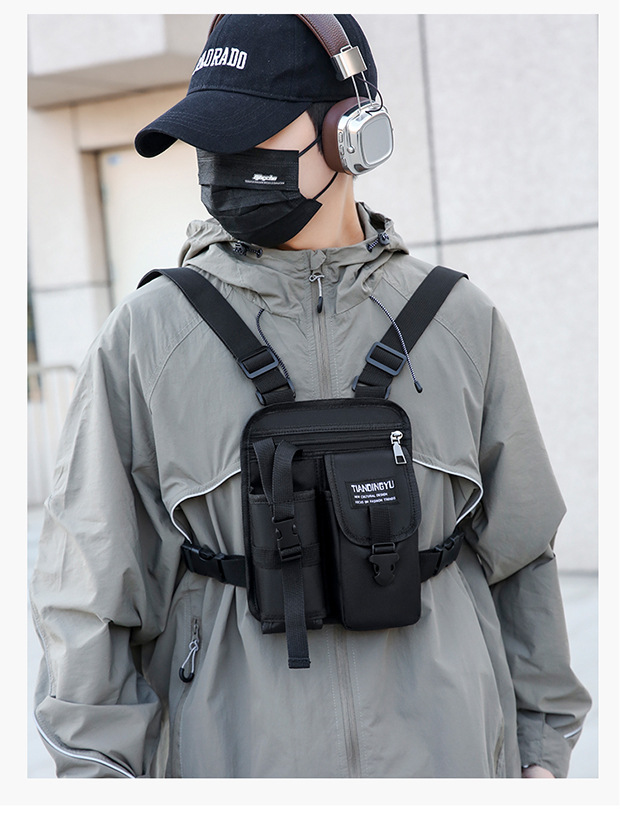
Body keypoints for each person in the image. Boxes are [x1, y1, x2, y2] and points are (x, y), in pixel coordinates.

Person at [30, 14, 591, 779]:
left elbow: (522, 554)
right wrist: (100, 778)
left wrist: (541, 755)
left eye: (249, 131)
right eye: (209, 138)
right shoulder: (147, 336)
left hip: (450, 760)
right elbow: (87, 589)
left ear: (352, 133)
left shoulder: (462, 320)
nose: (223, 159)